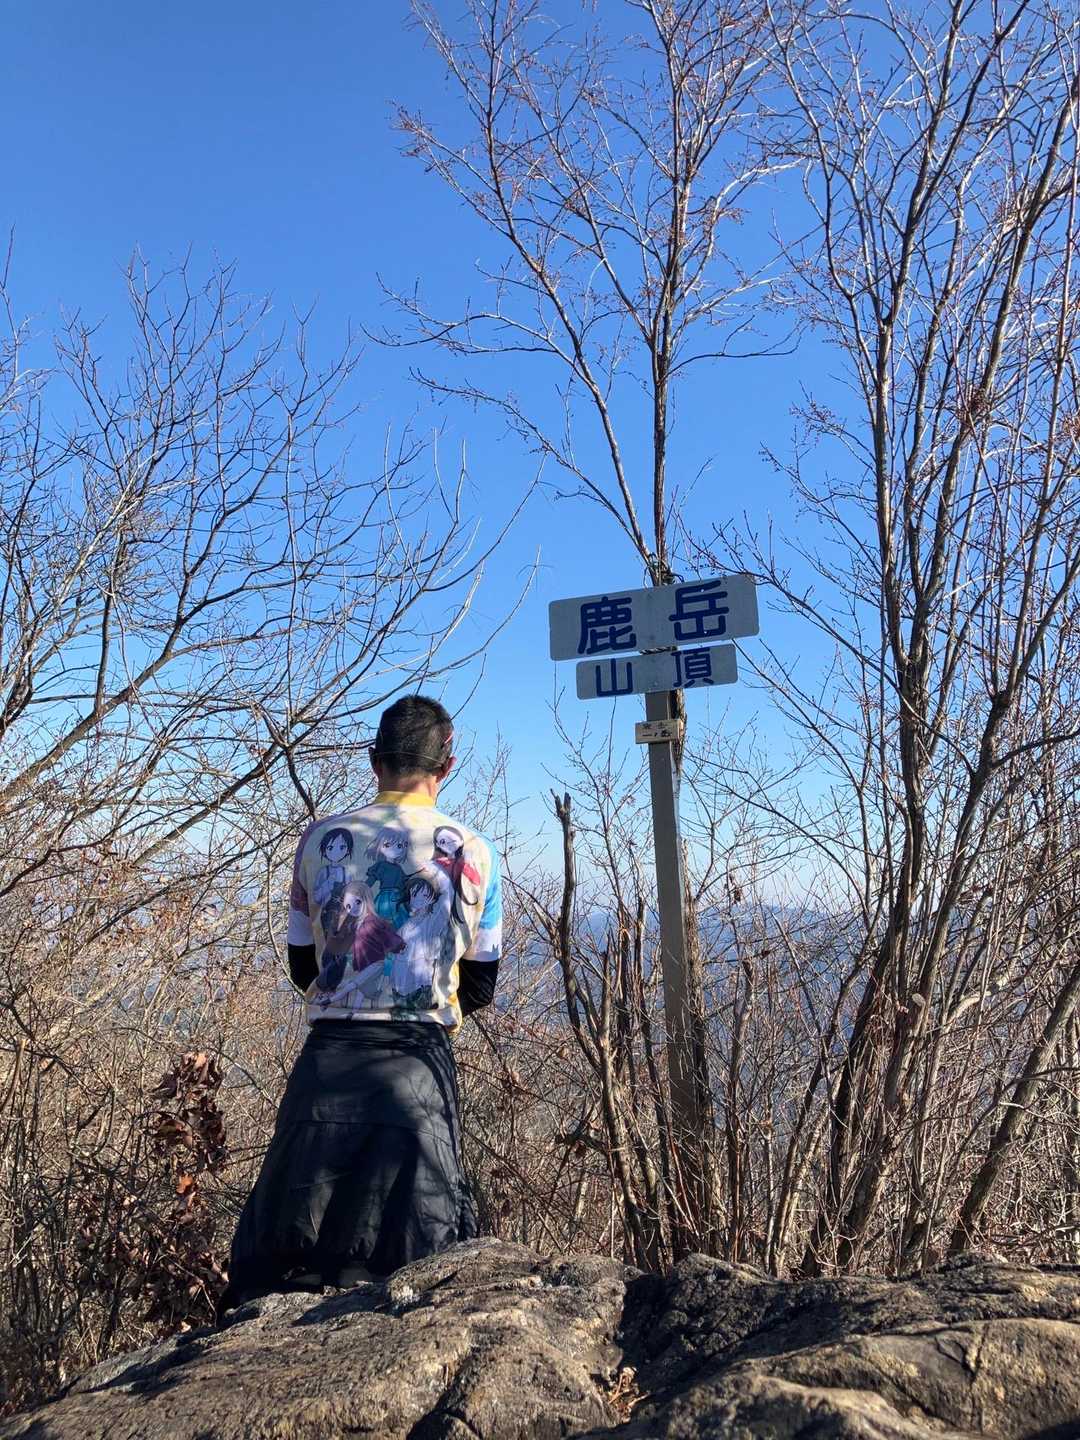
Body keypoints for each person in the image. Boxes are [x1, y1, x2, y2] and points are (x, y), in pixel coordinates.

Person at [219, 695, 502, 1314]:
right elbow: (481, 983)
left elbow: (304, 966)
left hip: (325, 1068)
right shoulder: (475, 851)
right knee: (422, 1267)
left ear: (374, 760)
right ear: (446, 766)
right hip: (419, 1070)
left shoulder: (320, 839)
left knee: (283, 1264)